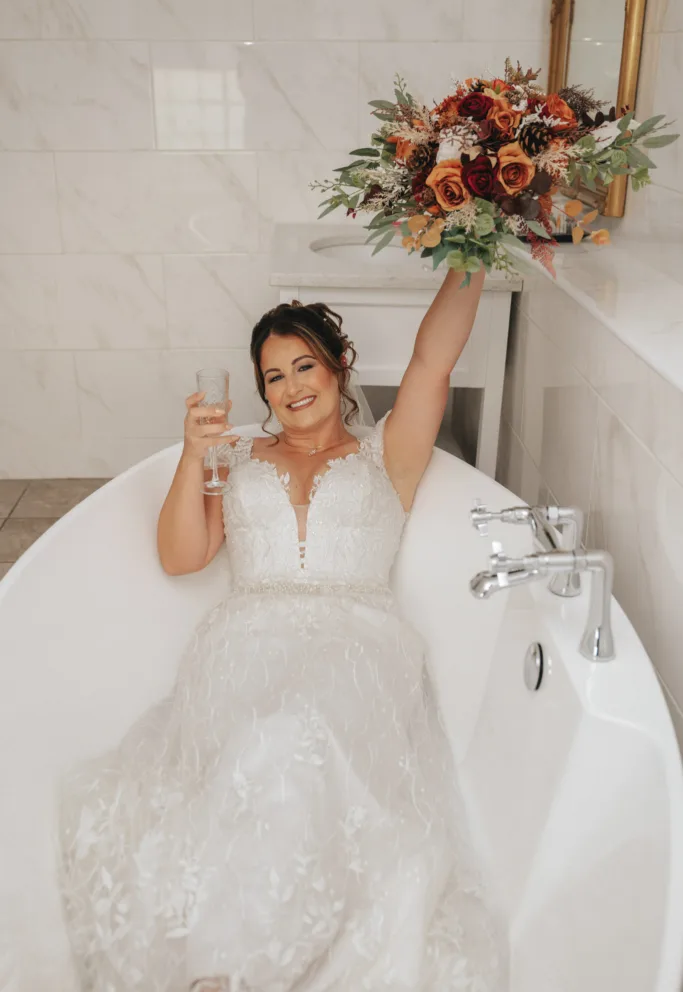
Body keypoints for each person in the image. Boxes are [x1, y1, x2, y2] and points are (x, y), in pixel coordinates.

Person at [56, 267, 506, 991]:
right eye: (272, 377)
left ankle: (230, 968)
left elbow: (432, 358)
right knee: (260, 746)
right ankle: (233, 958)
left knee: (296, 737)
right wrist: (192, 453)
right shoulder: (234, 456)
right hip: (243, 642)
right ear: (259, 391)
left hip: (359, 640)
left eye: (304, 366)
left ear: (338, 368)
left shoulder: (385, 454)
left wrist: (473, 240)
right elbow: (181, 557)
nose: (291, 387)